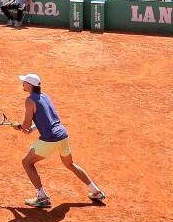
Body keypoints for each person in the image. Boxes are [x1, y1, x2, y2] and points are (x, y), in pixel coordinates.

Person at [15, 73, 106, 209]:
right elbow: (49, 119)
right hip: (62, 135)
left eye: (24, 82)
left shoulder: (29, 100)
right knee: (70, 164)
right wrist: (31, 129)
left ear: (29, 85)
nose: (22, 84)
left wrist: (21, 127)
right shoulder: (45, 96)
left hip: (50, 139)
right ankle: (96, 191)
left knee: (27, 162)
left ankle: (42, 197)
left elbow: (26, 126)